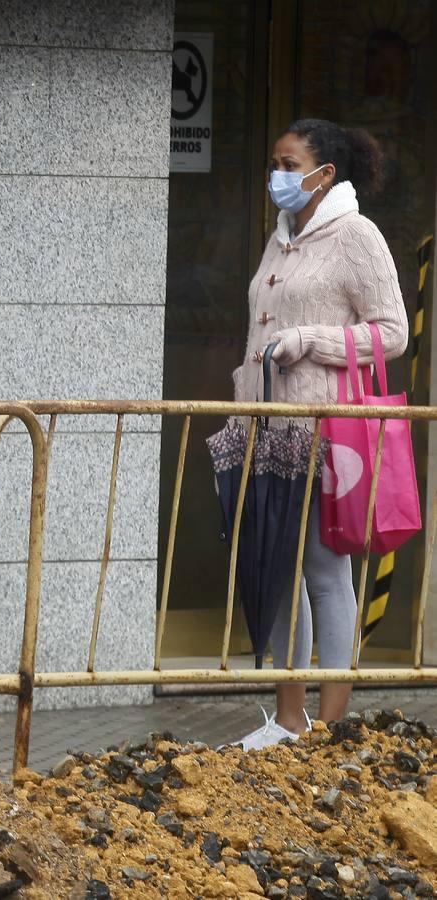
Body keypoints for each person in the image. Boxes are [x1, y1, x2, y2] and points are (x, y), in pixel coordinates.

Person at [230, 119, 407, 751]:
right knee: (278, 571)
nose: (276, 174)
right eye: (274, 161)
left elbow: (392, 332)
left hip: (327, 430)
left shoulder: (357, 235)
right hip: (266, 429)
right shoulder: (281, 239)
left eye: (288, 162)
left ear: (323, 174)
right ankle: (288, 718)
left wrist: (314, 343)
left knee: (325, 572)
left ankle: (329, 726)